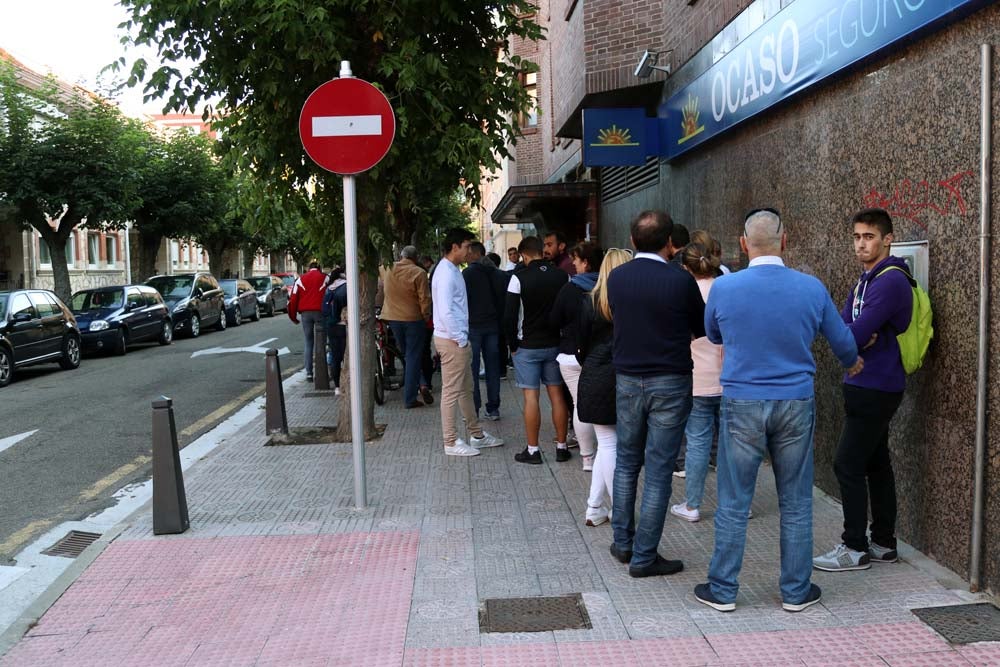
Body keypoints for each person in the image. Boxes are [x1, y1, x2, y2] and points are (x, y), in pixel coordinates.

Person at [693, 208, 863, 614]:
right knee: (796, 500)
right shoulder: (810, 287)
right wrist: (853, 362)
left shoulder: (725, 288)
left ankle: (723, 590)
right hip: (795, 401)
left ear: (743, 243)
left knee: (734, 500)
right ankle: (795, 591)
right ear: (785, 241)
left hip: (742, 402)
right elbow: (844, 345)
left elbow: (713, 332)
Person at [607, 210, 706, 579]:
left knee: (627, 460)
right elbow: (700, 328)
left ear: (633, 241)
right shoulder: (680, 281)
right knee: (660, 468)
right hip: (670, 379)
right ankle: (645, 555)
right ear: (670, 244)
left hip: (628, 379)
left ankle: (623, 541)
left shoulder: (617, 278)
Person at [813, 208, 912, 572]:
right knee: (875, 461)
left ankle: (854, 547)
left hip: (877, 383)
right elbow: (841, 328)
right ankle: (884, 542)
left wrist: (855, 335)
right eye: (856, 237)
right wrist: (853, 334)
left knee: (846, 463)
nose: (860, 244)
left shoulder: (889, 280)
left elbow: (849, 334)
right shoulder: (865, 279)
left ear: (888, 238)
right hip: (864, 382)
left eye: (868, 237)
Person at [432, 228, 504, 456]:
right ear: (455, 247)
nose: (468, 251)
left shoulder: (451, 270)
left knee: (465, 389)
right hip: (452, 340)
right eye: (465, 246)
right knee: (452, 391)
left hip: (455, 339)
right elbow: (445, 311)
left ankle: (476, 435)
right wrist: (460, 338)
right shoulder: (445, 273)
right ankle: (450, 441)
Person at [577, 248, 632, 526]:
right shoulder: (632, 302)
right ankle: (619, 509)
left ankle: (594, 507)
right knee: (611, 445)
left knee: (606, 445)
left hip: (595, 374)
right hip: (623, 374)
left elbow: (580, 345)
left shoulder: (590, 302)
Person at [504, 235, 570, 464]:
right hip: (555, 344)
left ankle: (533, 450)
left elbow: (510, 316)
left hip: (527, 346)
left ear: (523, 254)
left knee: (531, 397)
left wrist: (512, 346)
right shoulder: (562, 276)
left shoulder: (518, 278)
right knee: (557, 395)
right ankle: (562, 447)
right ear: (542, 251)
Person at [670, 242, 724, 523]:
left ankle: (692, 505)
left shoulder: (683, 293)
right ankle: (738, 505)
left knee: (697, 442)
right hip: (729, 377)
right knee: (731, 444)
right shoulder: (727, 288)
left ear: (685, 268)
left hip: (697, 378)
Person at [550, 242, 603, 471]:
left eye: (577, 260)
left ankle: (588, 458)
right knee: (600, 404)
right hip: (600, 356)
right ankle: (607, 450)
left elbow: (554, 320)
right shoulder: (606, 286)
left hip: (571, 355)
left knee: (579, 405)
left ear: (586, 263)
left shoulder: (569, 289)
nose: (573, 263)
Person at [381, 246, 434, 408]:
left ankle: (422, 383)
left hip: (393, 319)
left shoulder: (387, 268)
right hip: (413, 319)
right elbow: (424, 298)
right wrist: (426, 315)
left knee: (406, 355)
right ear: (415, 258)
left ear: (402, 256)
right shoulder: (419, 273)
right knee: (412, 356)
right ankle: (410, 398)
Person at [463, 242, 503, 420]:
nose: (465, 255)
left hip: (474, 326)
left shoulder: (468, 274)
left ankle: (475, 408)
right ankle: (493, 408)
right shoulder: (496, 273)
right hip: (493, 326)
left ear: (474, 254)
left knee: (473, 369)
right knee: (493, 368)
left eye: (467, 252)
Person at [287, 260, 329, 382]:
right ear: (319, 268)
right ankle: (322, 371)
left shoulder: (300, 279)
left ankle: (309, 373)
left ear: (308, 268)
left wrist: (293, 317)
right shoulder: (325, 278)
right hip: (320, 312)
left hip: (305, 314)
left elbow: (293, 299)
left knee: (308, 342)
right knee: (321, 342)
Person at [321, 267, 348, 395]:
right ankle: (348, 383)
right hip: (344, 325)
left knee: (335, 357)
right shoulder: (346, 287)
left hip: (331, 326)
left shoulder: (329, 288)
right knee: (346, 356)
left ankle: (337, 386)